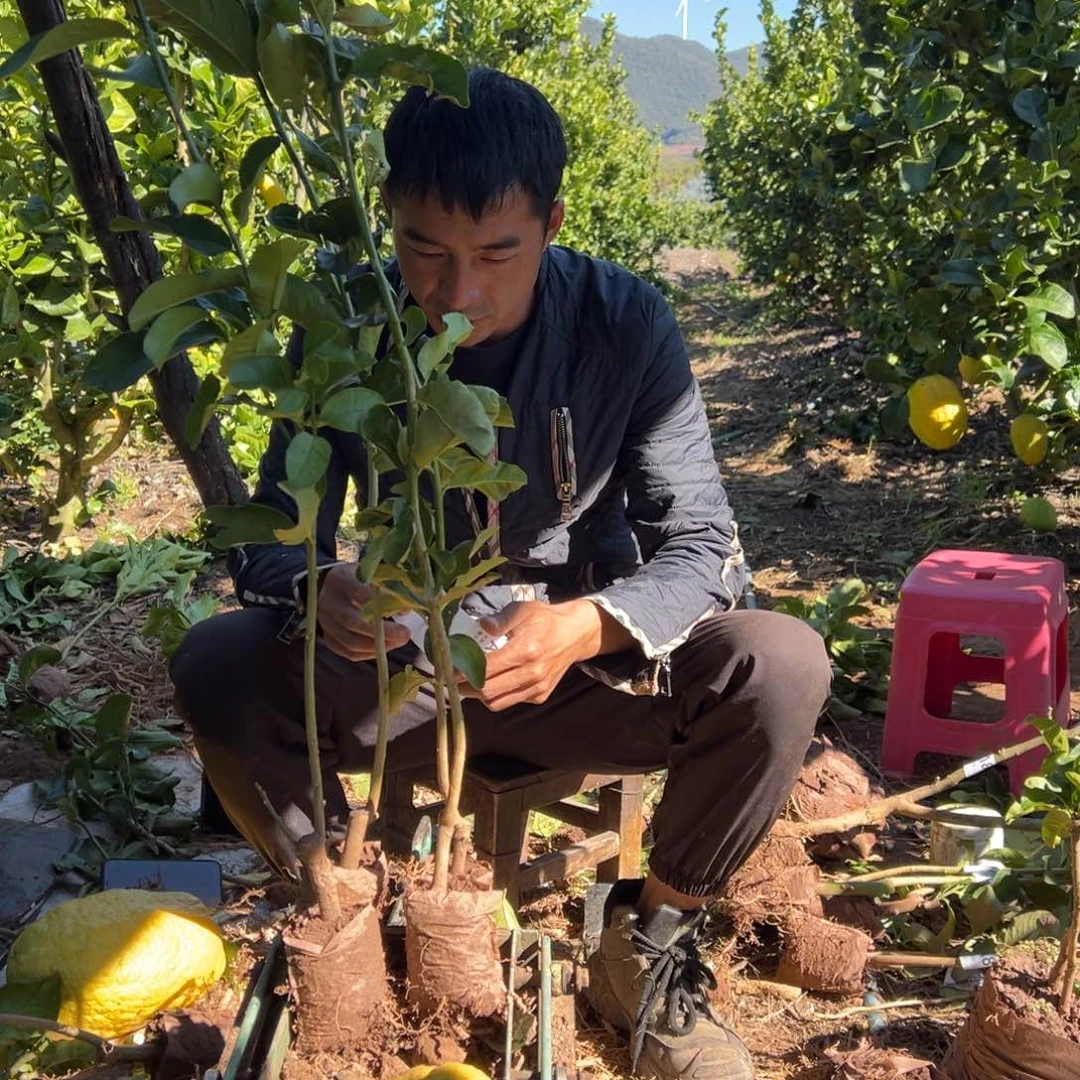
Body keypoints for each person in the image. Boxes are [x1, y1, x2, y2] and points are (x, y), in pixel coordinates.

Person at [170, 66, 831, 1080]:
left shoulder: (624, 326)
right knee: (216, 662)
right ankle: (343, 911)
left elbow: (705, 548)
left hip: (576, 676)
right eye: (422, 252)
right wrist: (319, 588)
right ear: (388, 219)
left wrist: (590, 623)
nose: (455, 294)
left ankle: (647, 948)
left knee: (780, 665)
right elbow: (270, 532)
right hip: (399, 678)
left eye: (497, 255)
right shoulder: (350, 327)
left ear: (554, 222)